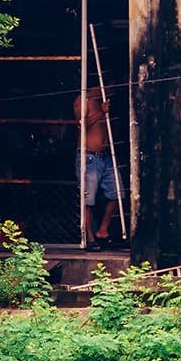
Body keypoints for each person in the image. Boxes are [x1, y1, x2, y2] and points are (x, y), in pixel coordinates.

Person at [76, 89, 122, 246]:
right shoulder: (83, 100)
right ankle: (89, 238)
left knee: (118, 193)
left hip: (106, 157)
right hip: (89, 157)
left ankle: (102, 230)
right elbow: (81, 124)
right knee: (88, 199)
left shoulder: (106, 103)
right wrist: (99, 113)